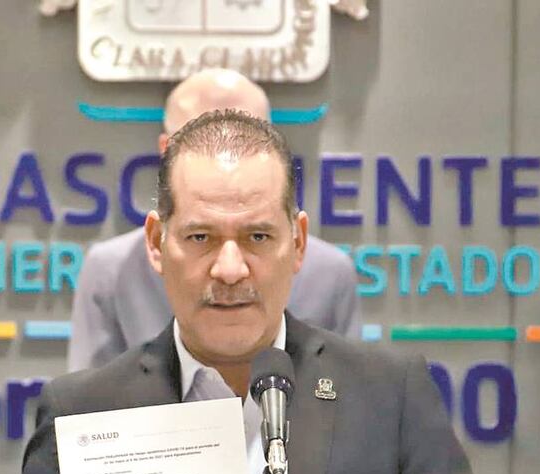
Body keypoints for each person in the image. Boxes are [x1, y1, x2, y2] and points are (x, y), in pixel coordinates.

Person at [0, 110, 514, 474]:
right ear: (157, 243)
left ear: (298, 242)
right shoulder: (82, 410)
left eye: (258, 236)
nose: (230, 269)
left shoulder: (389, 395)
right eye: (201, 237)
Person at [68, 68, 360, 372]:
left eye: (243, 139)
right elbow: (92, 397)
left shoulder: (330, 274)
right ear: (165, 151)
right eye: (201, 140)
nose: (230, 270)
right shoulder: (109, 271)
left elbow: (345, 391)